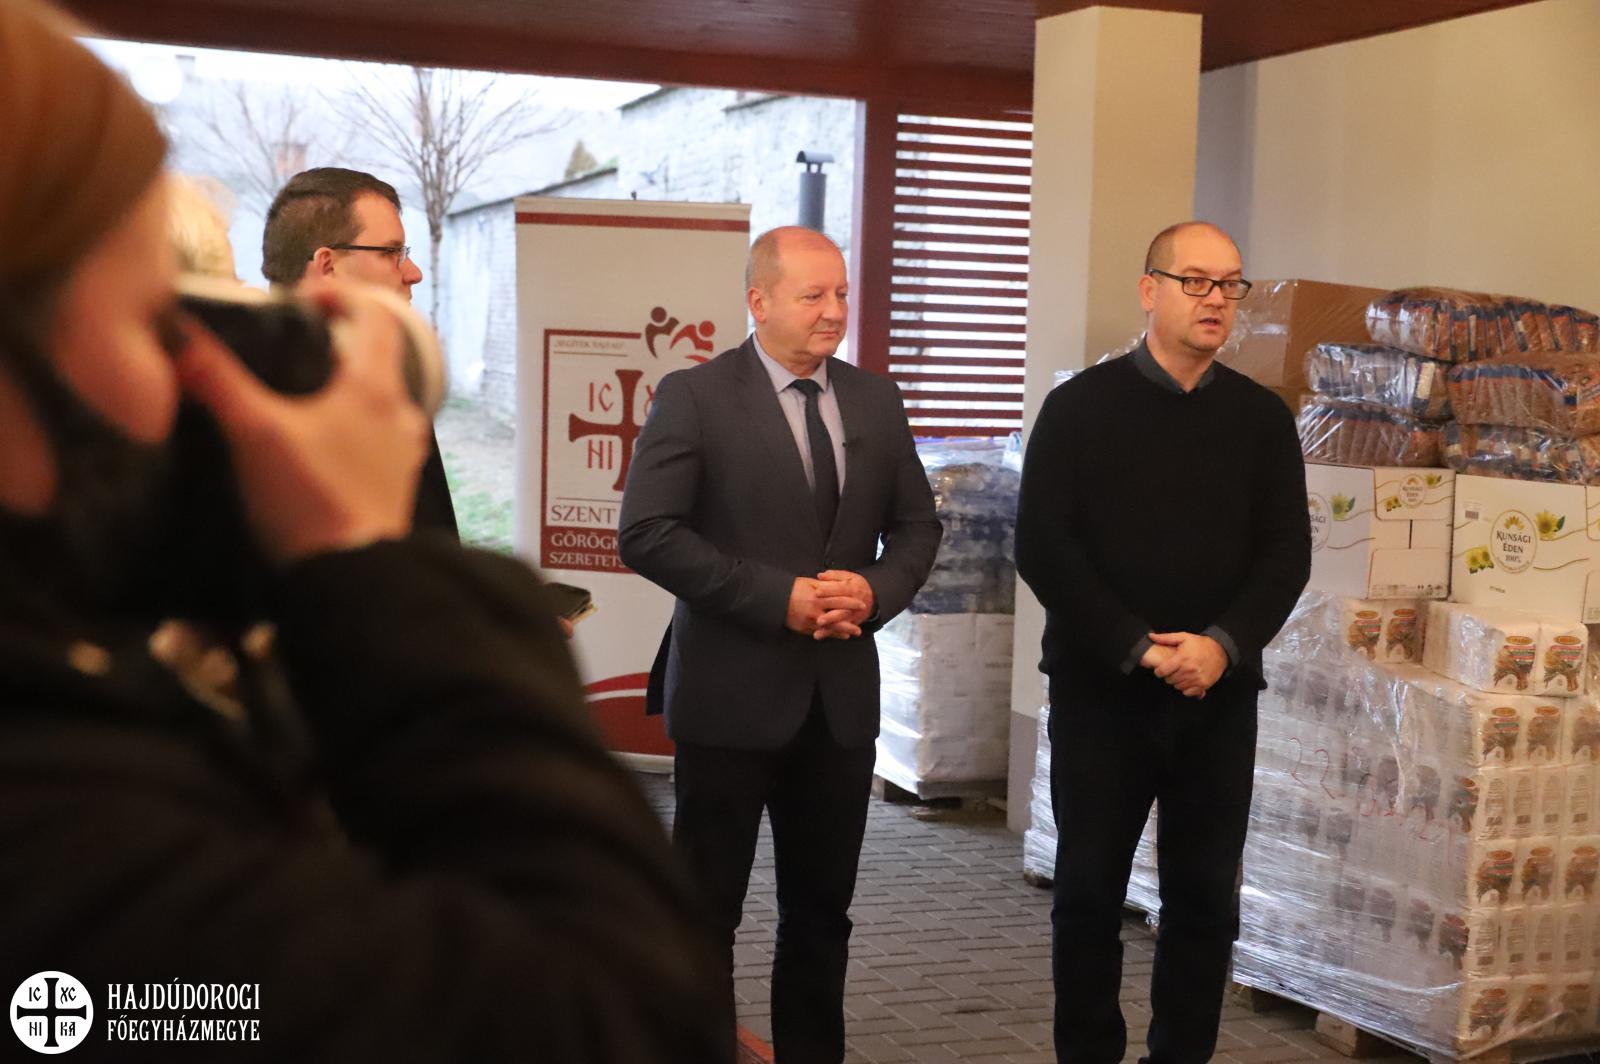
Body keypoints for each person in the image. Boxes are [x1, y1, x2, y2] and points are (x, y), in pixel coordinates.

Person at [0, 2, 730, 1060]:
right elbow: (622, 1010)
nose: (175, 372)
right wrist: (366, 567)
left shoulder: (67, 671)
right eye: (148, 314)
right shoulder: (69, 832)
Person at [617, 226, 942, 1064]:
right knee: (706, 913)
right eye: (813, 295)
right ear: (758, 302)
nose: (834, 311)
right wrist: (779, 600)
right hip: (728, 697)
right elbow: (647, 532)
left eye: (842, 294)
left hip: (839, 703)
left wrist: (874, 592)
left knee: (822, 914)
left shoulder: (877, 400)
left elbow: (917, 527)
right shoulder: (695, 396)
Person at [1015, 221, 1311, 1064]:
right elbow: (1045, 547)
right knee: (1087, 897)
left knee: (1204, 903)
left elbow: (1286, 554)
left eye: (1230, 284)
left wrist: (1221, 646)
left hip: (1218, 700)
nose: (1216, 299)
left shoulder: (1261, 419)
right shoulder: (1080, 410)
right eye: (1196, 281)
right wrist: (1139, 647)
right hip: (1101, 697)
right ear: (1150, 289)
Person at [261, 166, 458, 538]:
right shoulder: (277, 404)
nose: (414, 272)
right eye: (391, 252)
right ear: (327, 265)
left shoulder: (386, 376)